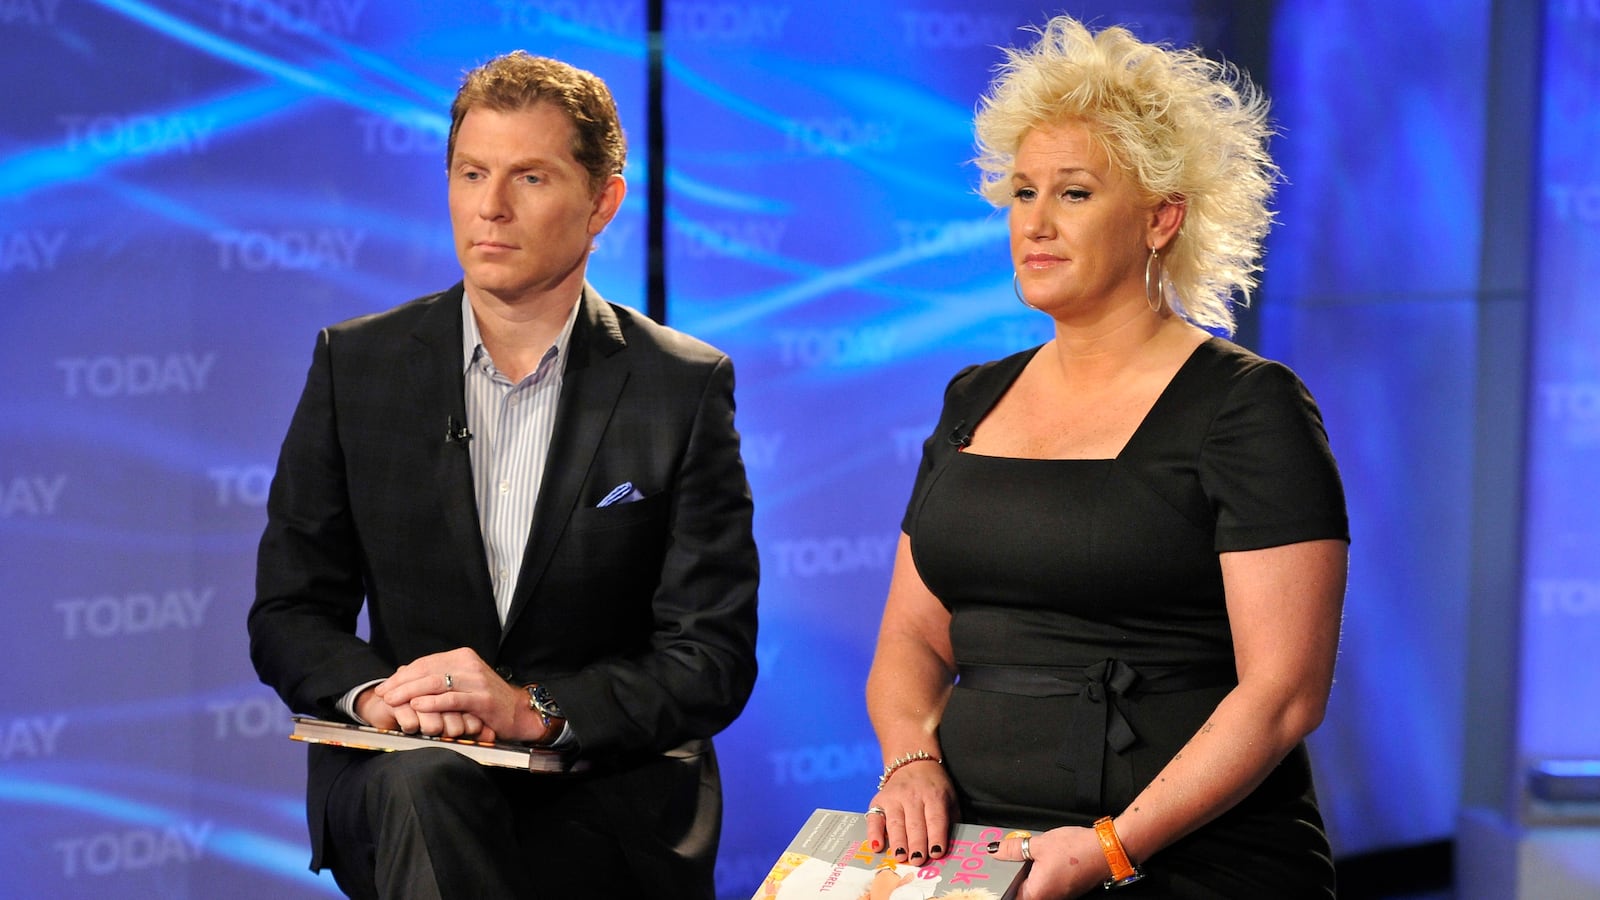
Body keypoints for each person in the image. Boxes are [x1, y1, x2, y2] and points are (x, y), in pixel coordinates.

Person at [247, 51, 759, 900]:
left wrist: (533, 709)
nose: (490, 207)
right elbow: (290, 612)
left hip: (601, 796)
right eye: (472, 173)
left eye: (530, 177)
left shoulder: (681, 386)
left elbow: (709, 658)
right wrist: (379, 698)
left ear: (603, 202)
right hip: (406, 780)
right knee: (425, 786)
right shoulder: (357, 366)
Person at [863, 16, 1347, 900]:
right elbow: (910, 638)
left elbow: (1283, 695)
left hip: (1184, 858)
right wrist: (910, 760)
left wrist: (1112, 849)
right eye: (1023, 192)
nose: (1036, 223)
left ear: (1162, 218)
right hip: (980, 853)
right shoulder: (972, 397)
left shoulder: (1251, 407)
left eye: (1075, 194)